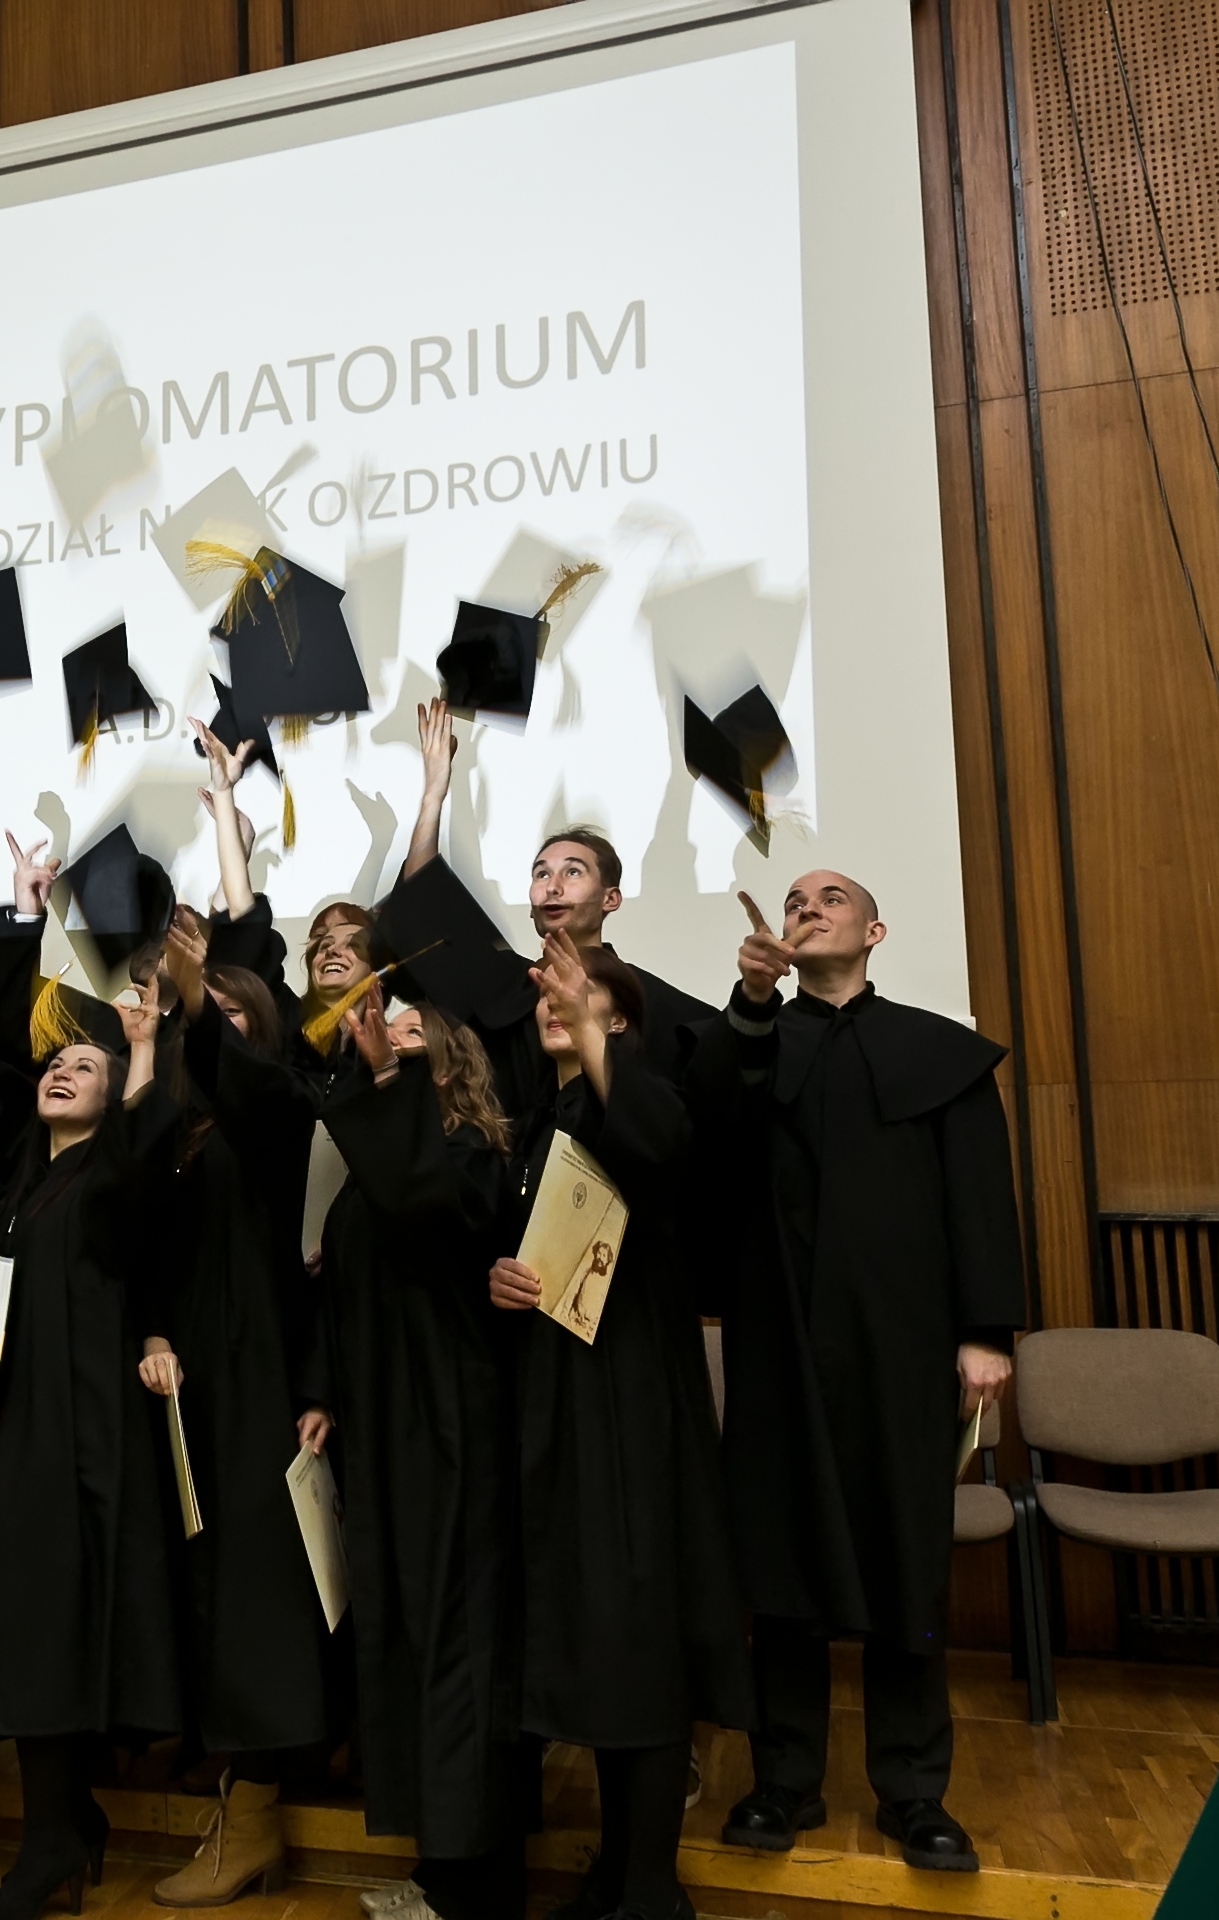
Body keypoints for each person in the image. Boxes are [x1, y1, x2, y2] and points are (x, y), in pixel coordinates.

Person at [687, 872, 1022, 1874]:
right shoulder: (750, 1039)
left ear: (875, 931)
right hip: (779, 1341)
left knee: (904, 1557)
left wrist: (985, 1331)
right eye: (795, 898)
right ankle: (783, 1781)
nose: (808, 906)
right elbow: (706, 1136)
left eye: (832, 898)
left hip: (901, 1344)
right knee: (782, 1554)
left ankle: (914, 1791)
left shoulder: (937, 1054)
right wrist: (751, 1004)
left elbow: (979, 1193)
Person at [0, 846, 187, 1920]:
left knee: (63, 1630)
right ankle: (65, 1824)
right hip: (18, 1429)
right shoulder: (13, 1187)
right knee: (32, 1629)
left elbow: (140, 1156)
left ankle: (53, 1840)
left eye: (83, 1069)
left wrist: (139, 1053)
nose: (58, 1072)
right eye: (56, 1066)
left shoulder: (112, 1177)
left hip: (87, 1433)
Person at [490, 936, 751, 1920]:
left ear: (625, 1023)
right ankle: (620, 1871)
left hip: (631, 1401)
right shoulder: (538, 1121)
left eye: (586, 994)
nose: (559, 1002)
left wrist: (597, 1036)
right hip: (557, 1401)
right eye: (550, 995)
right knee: (599, 1639)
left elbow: (661, 1149)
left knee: (637, 1636)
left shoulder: (647, 1099)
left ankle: (650, 1891)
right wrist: (498, 1276)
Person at [313, 977, 523, 1920]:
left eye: (404, 1032)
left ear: (446, 1059)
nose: (382, 1038)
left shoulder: (471, 1153)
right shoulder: (372, 1170)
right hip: (382, 1422)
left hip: (449, 1421)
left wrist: (386, 1087)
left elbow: (426, 1216)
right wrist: (322, 1395)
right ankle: (442, 1865)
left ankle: (479, 1882)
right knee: (405, 1632)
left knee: (457, 1639)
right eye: (376, 1031)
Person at [144, 908, 337, 1906]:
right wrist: (152, 1333)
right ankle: (223, 1772)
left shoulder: (281, 1113)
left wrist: (192, 997)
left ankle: (256, 1811)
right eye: (195, 1010)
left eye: (225, 1012)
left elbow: (250, 1085)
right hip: (185, 1387)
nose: (203, 1020)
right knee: (201, 1583)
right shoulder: (176, 1127)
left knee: (260, 1595)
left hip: (261, 1380)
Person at [401, 698, 708, 1096]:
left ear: (611, 898)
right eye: (541, 873)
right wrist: (433, 792)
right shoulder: (505, 986)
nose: (553, 886)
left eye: (573, 872)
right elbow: (420, 907)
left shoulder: (642, 996)